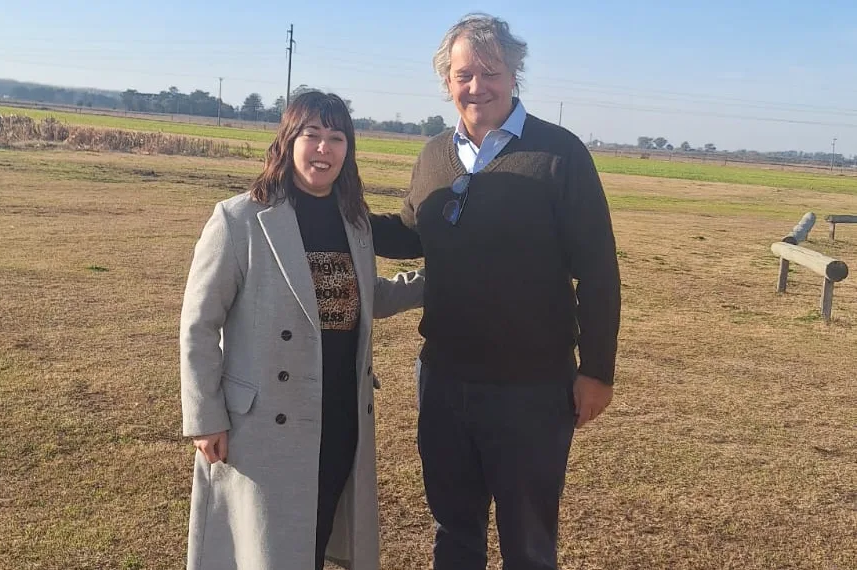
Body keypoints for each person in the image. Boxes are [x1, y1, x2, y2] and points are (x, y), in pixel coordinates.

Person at [370, 13, 621, 570]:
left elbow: (599, 271)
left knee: (528, 545)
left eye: (491, 72)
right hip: (443, 380)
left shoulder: (560, 154)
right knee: (453, 530)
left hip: (531, 390)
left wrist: (597, 370)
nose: (476, 86)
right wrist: (336, 215)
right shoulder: (434, 154)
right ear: (447, 82)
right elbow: (414, 232)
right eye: (464, 75)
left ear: (514, 76)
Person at [180, 91, 424, 570]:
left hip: (339, 413)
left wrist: (435, 284)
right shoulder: (239, 220)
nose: (324, 149)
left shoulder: (353, 222)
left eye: (336, 138)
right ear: (288, 140)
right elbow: (198, 324)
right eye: (312, 134)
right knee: (269, 548)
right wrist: (206, 416)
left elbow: (364, 295)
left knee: (312, 536)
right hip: (263, 423)